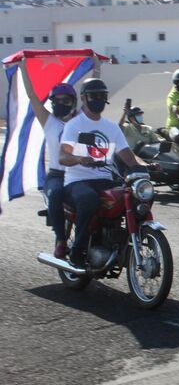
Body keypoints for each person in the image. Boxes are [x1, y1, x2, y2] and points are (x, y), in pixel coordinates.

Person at [59, 78, 149, 268]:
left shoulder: (111, 127)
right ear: (83, 98)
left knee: (135, 197)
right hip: (78, 181)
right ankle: (77, 252)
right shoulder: (74, 125)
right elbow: (62, 157)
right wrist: (79, 158)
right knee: (89, 199)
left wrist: (147, 165)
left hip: (105, 179)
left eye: (102, 95)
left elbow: (128, 156)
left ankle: (122, 242)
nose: (98, 99)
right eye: (94, 96)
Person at [18, 55, 101, 260]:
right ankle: (61, 240)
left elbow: (91, 92)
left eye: (66, 101)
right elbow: (32, 96)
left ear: (74, 102)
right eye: (57, 101)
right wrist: (22, 67)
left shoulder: (80, 120)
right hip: (56, 176)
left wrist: (97, 67)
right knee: (54, 194)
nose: (61, 104)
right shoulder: (48, 121)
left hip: (79, 174)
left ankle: (95, 238)